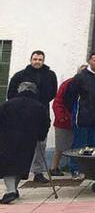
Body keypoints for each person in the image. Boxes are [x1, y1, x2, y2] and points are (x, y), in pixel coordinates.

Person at [7, 51, 58, 184]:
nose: (37, 62)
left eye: (40, 59)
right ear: (31, 59)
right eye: (35, 59)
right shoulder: (20, 75)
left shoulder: (50, 75)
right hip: (21, 114)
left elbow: (53, 92)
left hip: (41, 112)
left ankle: (38, 172)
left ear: (43, 60)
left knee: (41, 144)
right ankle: (17, 171)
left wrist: (38, 103)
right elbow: (11, 93)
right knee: (20, 144)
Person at [0, 82, 51, 204]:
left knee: (8, 165)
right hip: (29, 140)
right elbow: (45, 123)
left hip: (7, 139)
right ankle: (13, 189)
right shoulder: (38, 106)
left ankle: (11, 191)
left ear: (19, 90)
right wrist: (40, 136)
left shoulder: (7, 104)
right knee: (21, 165)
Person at [67, 52, 95, 180]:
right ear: (89, 61)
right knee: (79, 144)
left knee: (93, 144)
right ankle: (75, 169)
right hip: (82, 116)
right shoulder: (80, 77)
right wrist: (77, 110)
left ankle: (92, 170)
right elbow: (70, 96)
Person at [49, 66, 85, 177]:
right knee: (60, 146)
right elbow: (58, 102)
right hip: (65, 121)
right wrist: (62, 117)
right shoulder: (67, 84)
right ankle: (54, 167)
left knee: (78, 146)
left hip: (81, 121)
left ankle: (77, 168)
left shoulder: (88, 86)